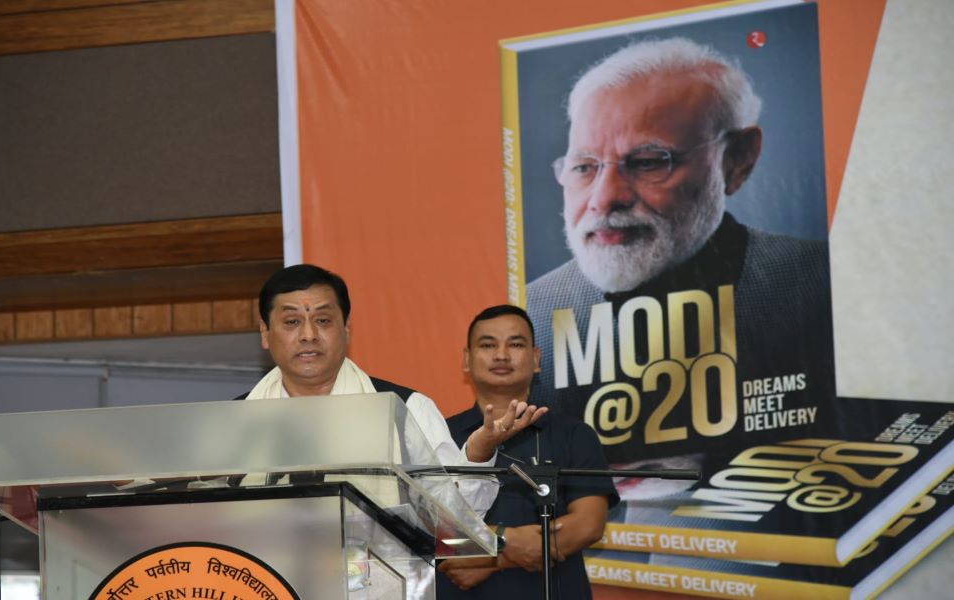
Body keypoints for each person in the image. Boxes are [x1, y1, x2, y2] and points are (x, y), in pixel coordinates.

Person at [526, 37, 834, 419]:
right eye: (584, 167)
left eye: (648, 162)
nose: (604, 199)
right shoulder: (529, 318)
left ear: (737, 160)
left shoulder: (827, 286)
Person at [240, 264, 547, 514]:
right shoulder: (236, 422)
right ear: (265, 333)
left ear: (346, 329)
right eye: (291, 322)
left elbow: (455, 518)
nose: (308, 335)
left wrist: (478, 454)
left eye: (323, 320)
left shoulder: (404, 408)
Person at [437, 305, 618, 599]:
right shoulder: (437, 434)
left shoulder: (574, 434)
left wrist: (496, 556)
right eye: (488, 345)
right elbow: (424, 527)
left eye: (516, 344)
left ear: (535, 359)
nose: (501, 355)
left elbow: (588, 525)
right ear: (467, 359)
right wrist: (509, 540)